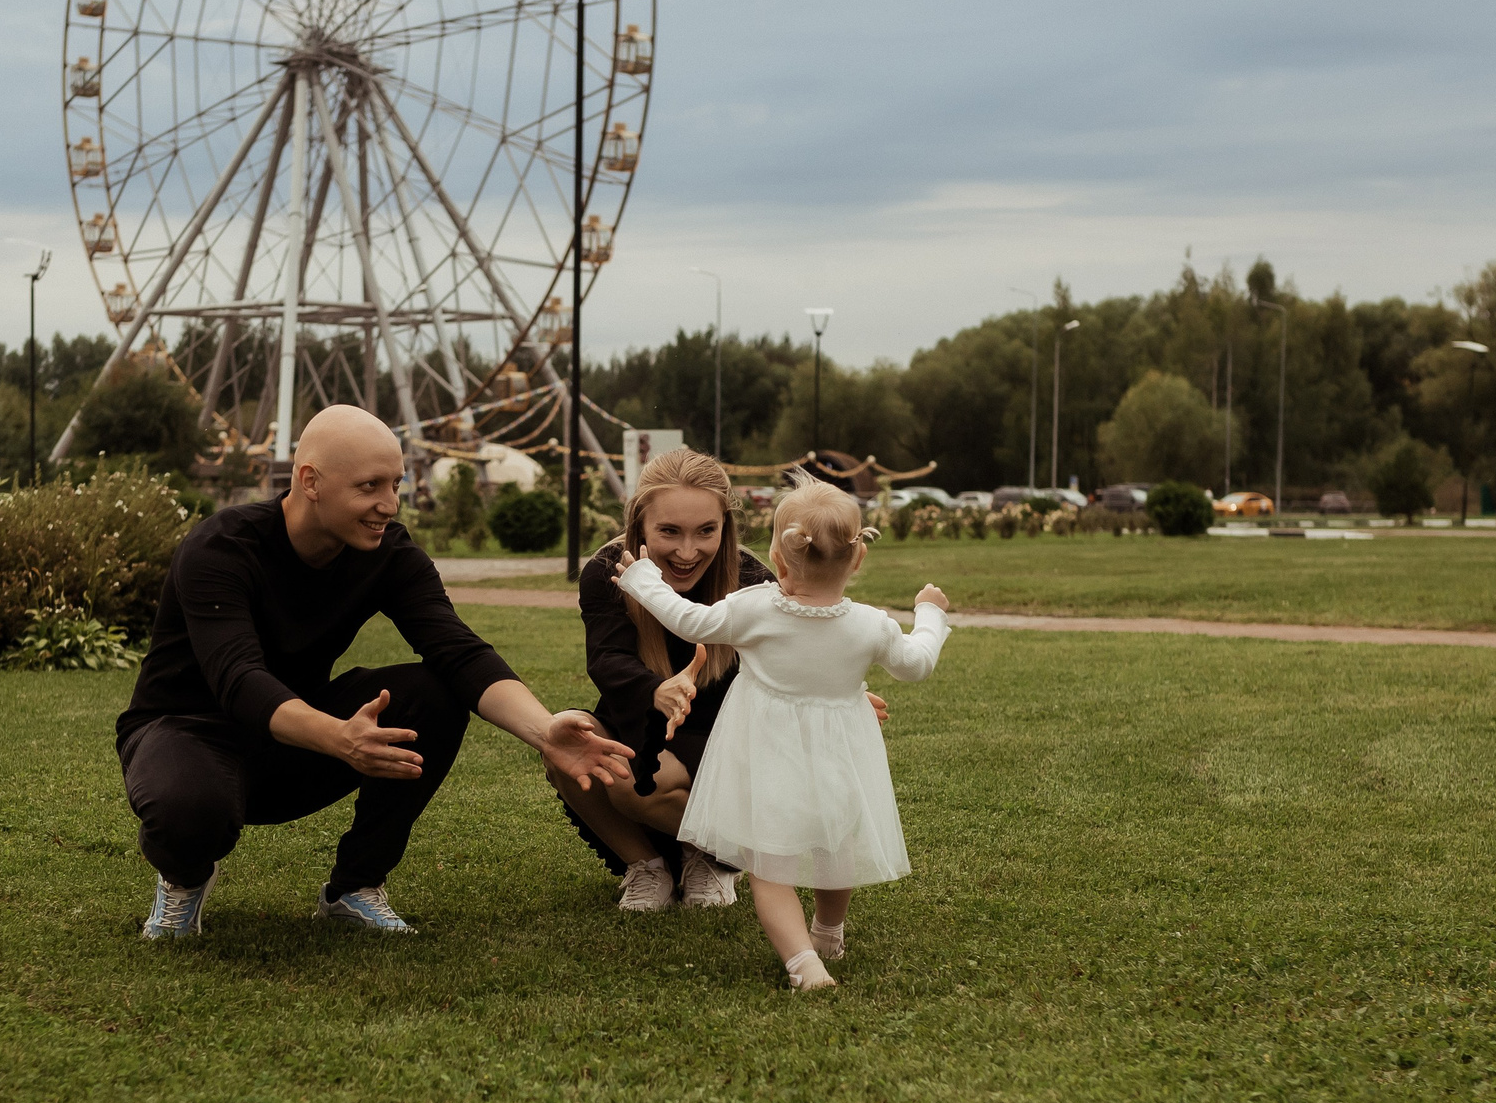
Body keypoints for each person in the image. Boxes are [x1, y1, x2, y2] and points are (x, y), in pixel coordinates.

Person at [117, 405, 632, 940]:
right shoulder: (221, 548)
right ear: (310, 481)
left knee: (434, 692)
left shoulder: (390, 553)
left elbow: (459, 652)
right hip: (186, 731)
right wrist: (340, 737)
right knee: (188, 809)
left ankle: (355, 886)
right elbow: (238, 679)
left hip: (298, 739)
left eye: (397, 484)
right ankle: (184, 877)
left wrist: (545, 731)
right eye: (369, 487)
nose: (388, 504)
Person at [615, 473, 950, 990]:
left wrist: (642, 580)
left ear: (777, 557)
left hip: (770, 755)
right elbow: (917, 664)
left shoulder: (754, 608)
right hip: (842, 757)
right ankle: (828, 932)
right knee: (834, 849)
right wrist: (929, 615)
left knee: (772, 871)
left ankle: (803, 964)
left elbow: (689, 622)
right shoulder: (872, 625)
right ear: (857, 559)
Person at [552, 449, 774, 912]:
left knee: (638, 781)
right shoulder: (607, 570)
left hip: (724, 741)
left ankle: (715, 859)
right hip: (642, 725)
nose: (688, 552)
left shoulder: (752, 578)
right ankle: (647, 866)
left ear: (725, 527)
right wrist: (654, 688)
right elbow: (608, 658)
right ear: (640, 525)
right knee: (567, 739)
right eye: (669, 531)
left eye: (706, 531)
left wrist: (843, 694)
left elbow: (796, 652)